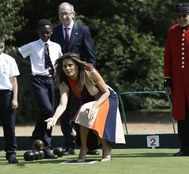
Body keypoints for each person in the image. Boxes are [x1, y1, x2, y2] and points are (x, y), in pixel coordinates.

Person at [45, 53, 125, 161]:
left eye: (70, 65)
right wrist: (54, 117)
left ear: (77, 65)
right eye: (65, 66)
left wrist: (95, 107)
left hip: (107, 98)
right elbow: (62, 104)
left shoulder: (89, 71)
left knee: (94, 117)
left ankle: (106, 152)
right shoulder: (63, 81)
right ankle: (84, 148)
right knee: (84, 115)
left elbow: (106, 92)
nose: (67, 68)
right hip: (90, 102)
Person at [51, 2, 98, 155]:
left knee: (84, 111)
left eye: (66, 13)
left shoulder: (83, 30)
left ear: (73, 13)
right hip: (62, 77)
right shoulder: (54, 31)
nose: (64, 16)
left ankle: (90, 146)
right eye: (61, 14)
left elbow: (90, 55)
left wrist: (88, 74)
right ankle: (68, 145)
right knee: (64, 112)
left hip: (81, 78)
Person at [18, 19, 62, 158]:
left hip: (52, 80)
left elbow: (60, 63)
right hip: (38, 80)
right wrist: (27, 69)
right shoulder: (32, 46)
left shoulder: (56, 46)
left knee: (48, 113)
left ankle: (40, 142)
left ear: (51, 32)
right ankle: (45, 144)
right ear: (38, 32)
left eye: (48, 33)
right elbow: (18, 54)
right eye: (43, 33)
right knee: (48, 110)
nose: (45, 35)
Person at [164, 3, 189, 156]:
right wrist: (167, 78)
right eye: (179, 16)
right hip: (179, 83)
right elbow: (168, 56)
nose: (181, 19)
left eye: (184, 16)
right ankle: (185, 147)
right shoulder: (172, 32)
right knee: (181, 116)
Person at [0, 40, 19, 164]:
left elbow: (14, 81)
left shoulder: (9, 59)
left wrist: (15, 98)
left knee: (9, 125)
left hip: (6, 94)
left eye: (1, 46)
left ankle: (11, 153)